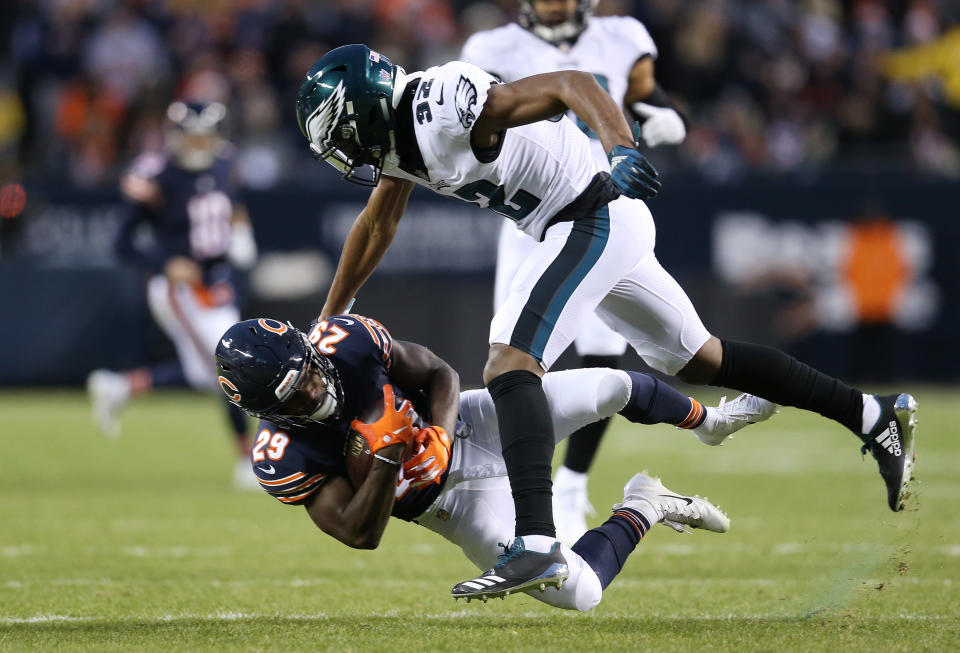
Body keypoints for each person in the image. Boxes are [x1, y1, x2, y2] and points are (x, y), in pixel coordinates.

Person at [294, 44, 916, 601]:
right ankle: (873, 414)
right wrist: (331, 318)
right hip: (577, 222)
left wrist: (621, 146)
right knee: (701, 359)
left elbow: (573, 82)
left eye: (343, 138)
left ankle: (537, 539)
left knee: (510, 360)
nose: (346, 154)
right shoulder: (405, 137)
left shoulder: (441, 108)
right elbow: (377, 225)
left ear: (366, 113)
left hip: (589, 212)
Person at [214, 315, 767, 610]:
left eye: (310, 368)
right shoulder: (281, 455)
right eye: (298, 391)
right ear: (266, 409)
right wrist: (387, 456)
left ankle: (709, 423)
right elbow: (360, 533)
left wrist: (437, 431)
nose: (316, 384)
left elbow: (439, 374)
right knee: (581, 594)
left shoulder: (345, 344)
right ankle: (643, 506)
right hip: (452, 505)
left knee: (613, 385)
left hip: (475, 423)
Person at [460, 0, 689, 544]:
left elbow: (643, 96)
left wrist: (663, 114)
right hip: (528, 213)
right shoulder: (492, 49)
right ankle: (517, 492)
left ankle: (571, 482)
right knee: (515, 356)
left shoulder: (622, 36)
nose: (555, 4)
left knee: (606, 347)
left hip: (601, 203)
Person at [87, 100, 259, 489]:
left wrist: (241, 231)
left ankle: (120, 387)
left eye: (205, 137)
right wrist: (166, 262)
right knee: (229, 367)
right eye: (191, 137)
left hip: (217, 283)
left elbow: (232, 205)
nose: (199, 145)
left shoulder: (225, 162)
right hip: (180, 289)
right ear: (176, 137)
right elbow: (121, 243)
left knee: (207, 373)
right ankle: (247, 461)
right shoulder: (156, 175)